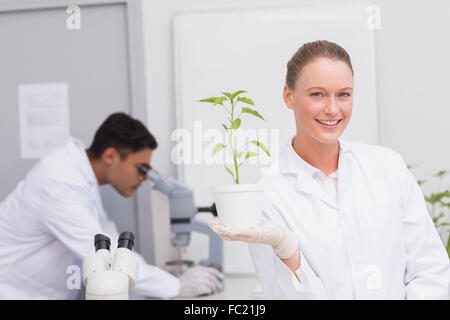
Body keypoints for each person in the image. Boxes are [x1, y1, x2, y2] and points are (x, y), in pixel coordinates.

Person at [209, 40, 450, 299]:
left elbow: (430, 271)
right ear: (289, 97)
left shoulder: (387, 168)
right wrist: (288, 250)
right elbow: (281, 294)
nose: (333, 109)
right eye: (317, 94)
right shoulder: (268, 195)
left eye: (343, 94)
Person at [0, 112, 223, 299]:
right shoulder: (59, 182)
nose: (143, 178)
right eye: (141, 168)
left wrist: (154, 274)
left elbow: (113, 243)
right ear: (110, 156)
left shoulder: (79, 178)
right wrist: (175, 287)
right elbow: (101, 256)